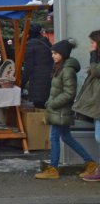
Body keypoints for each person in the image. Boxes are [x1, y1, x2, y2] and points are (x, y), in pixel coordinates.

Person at [34, 40, 96, 180]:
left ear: (64, 53)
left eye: (56, 53)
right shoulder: (60, 67)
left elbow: (69, 93)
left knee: (54, 137)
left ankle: (53, 169)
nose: (53, 56)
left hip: (60, 110)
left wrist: (53, 104)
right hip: (58, 109)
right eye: (52, 53)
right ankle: (90, 162)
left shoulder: (67, 70)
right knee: (66, 137)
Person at [74, 30, 100, 182]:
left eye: (92, 42)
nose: (90, 45)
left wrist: (93, 56)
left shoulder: (96, 60)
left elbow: (97, 71)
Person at [22, 23, 54, 109]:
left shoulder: (31, 45)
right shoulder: (46, 42)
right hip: (49, 80)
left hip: (38, 83)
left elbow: (28, 67)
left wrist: (21, 83)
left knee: (39, 110)